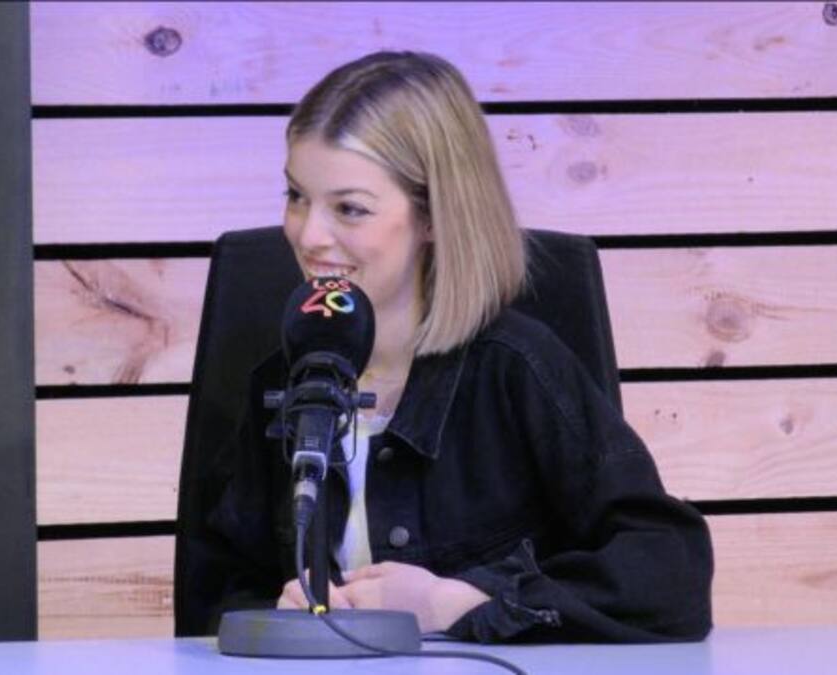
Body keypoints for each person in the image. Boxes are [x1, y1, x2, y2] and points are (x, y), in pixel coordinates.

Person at [203, 51, 713, 643]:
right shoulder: (279, 381)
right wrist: (273, 613)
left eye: (350, 209)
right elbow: (213, 593)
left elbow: (669, 571)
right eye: (296, 196)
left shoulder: (518, 369)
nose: (308, 234)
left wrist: (456, 603)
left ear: (433, 217)